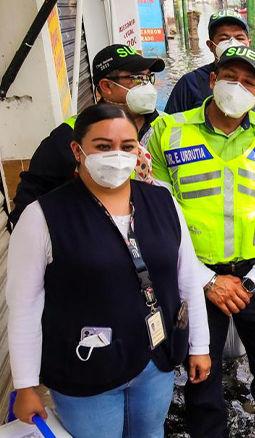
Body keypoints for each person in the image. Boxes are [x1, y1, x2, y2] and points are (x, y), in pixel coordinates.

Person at [7, 103, 211, 436]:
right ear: (77, 150)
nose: (116, 155)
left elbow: (186, 277)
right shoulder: (42, 216)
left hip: (155, 361)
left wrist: (199, 346)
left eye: (127, 146)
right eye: (103, 146)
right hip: (84, 371)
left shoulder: (163, 202)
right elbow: (25, 306)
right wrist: (27, 384)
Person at [148, 47, 255, 438]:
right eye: (229, 77)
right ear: (212, 81)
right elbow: (161, 219)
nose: (237, 87)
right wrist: (206, 281)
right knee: (200, 378)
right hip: (194, 280)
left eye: (248, 82)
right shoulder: (168, 133)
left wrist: (253, 281)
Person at [9, 44, 165, 225]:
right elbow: (31, 197)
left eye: (148, 78)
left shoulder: (165, 125)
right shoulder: (70, 135)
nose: (146, 86)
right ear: (107, 86)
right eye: (137, 78)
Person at [165, 9, 255, 120]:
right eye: (224, 38)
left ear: (248, 44)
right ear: (211, 45)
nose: (232, 43)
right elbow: (168, 128)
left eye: (239, 37)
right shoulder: (190, 84)